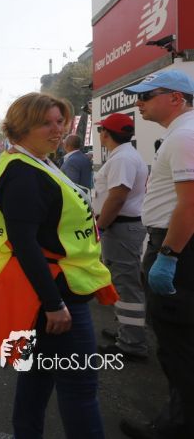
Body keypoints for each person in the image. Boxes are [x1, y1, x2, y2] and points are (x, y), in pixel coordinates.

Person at [0, 92, 117, 438]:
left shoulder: (35, 161)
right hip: (56, 293)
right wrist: (54, 304)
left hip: (54, 286)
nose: (57, 129)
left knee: (36, 378)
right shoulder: (25, 173)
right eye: (45, 123)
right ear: (21, 129)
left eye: (60, 121)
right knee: (79, 388)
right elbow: (25, 244)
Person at [118, 70, 194, 439]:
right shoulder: (183, 133)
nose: (139, 103)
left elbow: (190, 205)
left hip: (179, 247)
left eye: (147, 96)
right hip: (178, 244)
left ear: (176, 98)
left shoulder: (183, 136)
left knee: (177, 344)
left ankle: (178, 427)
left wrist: (168, 255)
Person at [92, 113, 149, 361]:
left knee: (126, 286)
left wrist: (100, 227)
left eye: (101, 131)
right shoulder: (125, 155)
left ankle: (132, 344)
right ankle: (126, 332)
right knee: (122, 283)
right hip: (122, 227)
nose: (100, 135)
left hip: (120, 228)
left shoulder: (122, 159)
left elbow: (117, 198)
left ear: (106, 133)